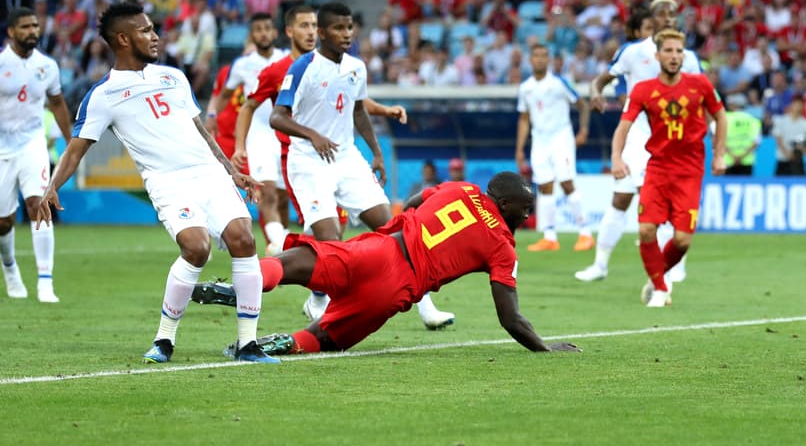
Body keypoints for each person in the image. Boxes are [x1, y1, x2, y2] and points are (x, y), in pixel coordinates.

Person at [35, 3, 277, 364]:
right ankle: (164, 339)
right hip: (168, 182)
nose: (155, 36)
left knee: (244, 239)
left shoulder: (173, 77)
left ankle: (247, 345)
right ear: (122, 38)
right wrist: (52, 186)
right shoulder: (103, 95)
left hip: (209, 173)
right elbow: (75, 150)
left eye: (153, 29)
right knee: (196, 248)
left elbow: (201, 132)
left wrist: (230, 169)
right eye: (146, 31)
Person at [189, 173, 580, 355]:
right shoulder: (503, 247)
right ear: (506, 205)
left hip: (383, 249)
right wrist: (544, 347)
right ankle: (277, 343)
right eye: (525, 210)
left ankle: (249, 281)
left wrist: (405, 225)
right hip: (398, 290)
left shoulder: (460, 188)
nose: (527, 217)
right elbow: (510, 317)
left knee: (295, 263)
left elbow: (413, 201)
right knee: (326, 337)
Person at [270, 3, 453, 330]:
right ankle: (323, 304)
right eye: (339, 29)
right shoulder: (302, 67)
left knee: (396, 229)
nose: (347, 34)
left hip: (347, 157)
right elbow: (277, 116)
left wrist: (377, 154)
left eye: (350, 28)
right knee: (331, 240)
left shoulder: (356, 67)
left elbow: (357, 112)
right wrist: (313, 135)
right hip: (309, 161)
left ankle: (426, 308)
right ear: (323, 33)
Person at [576, 0, 701, 284]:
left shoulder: (688, 57)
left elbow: (701, 94)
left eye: (673, 13)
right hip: (636, 139)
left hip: (670, 143)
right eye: (662, 13)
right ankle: (600, 265)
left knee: (666, 206)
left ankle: (671, 268)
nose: (669, 17)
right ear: (651, 20)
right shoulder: (633, 52)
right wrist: (596, 92)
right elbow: (602, 79)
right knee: (620, 199)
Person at [611, 29, 726, 307]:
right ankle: (661, 288)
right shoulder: (643, 90)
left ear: (684, 55)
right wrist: (617, 157)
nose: (674, 57)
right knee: (646, 230)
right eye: (669, 51)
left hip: (690, 172)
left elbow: (721, 117)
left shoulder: (699, 84)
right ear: (657, 55)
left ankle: (655, 275)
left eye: (678, 52)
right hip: (658, 169)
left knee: (683, 240)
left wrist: (719, 155)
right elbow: (623, 126)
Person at [0, 8, 73, 302]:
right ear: (11, 32)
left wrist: (71, 143)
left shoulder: (48, 66)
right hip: (2, 148)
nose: (33, 31)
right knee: (3, 221)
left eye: (35, 26)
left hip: (32, 144)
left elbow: (57, 103)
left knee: (37, 204)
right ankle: (10, 268)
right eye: (26, 27)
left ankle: (45, 282)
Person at [205, 12, 289, 253]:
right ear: (253, 35)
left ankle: (282, 246)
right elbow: (221, 96)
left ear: (275, 32)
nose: (263, 33)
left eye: (267, 28)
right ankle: (280, 245)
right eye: (258, 29)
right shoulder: (242, 65)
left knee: (283, 198)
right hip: (259, 135)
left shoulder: (288, 60)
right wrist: (211, 116)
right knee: (269, 193)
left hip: (286, 135)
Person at [515, 42, 594, 252]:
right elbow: (524, 119)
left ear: (549, 60)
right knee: (544, 186)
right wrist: (519, 148)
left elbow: (582, 104)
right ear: (530, 60)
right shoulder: (526, 88)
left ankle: (585, 232)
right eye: (536, 55)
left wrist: (584, 131)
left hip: (561, 140)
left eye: (544, 55)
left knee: (567, 182)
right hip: (539, 142)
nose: (540, 59)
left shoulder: (560, 82)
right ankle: (550, 237)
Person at [721, 93, 761, 175]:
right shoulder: (753, 120)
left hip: (729, 160)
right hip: (747, 160)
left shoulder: (725, 119)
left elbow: (719, 140)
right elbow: (756, 142)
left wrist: (733, 156)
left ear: (732, 105)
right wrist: (742, 156)